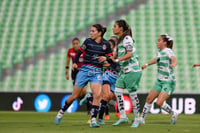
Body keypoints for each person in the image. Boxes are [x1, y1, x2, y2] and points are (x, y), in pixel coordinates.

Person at [55, 24, 112, 128]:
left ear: (99, 33)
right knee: (74, 96)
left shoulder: (106, 44)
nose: (91, 33)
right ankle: (61, 112)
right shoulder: (87, 41)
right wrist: (75, 63)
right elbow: (79, 53)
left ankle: (93, 120)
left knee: (97, 95)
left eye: (93, 31)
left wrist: (106, 59)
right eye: (91, 31)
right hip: (84, 70)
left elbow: (111, 58)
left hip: (97, 71)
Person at [98, 19, 142, 128]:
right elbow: (113, 56)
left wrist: (116, 60)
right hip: (123, 71)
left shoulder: (127, 39)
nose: (113, 28)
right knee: (118, 92)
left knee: (132, 94)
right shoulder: (119, 41)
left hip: (132, 70)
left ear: (120, 29)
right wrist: (106, 59)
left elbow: (129, 54)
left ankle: (137, 119)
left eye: (115, 26)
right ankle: (123, 117)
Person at [140, 34, 178, 125]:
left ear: (164, 43)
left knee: (159, 102)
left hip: (168, 81)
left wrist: (174, 64)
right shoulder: (159, 52)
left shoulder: (168, 51)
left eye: (159, 40)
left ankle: (174, 113)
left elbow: (173, 58)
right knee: (149, 99)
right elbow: (156, 59)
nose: (157, 42)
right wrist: (146, 64)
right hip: (159, 81)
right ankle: (142, 119)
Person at [97, 37, 120, 125]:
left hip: (117, 79)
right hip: (108, 75)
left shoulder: (120, 53)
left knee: (111, 97)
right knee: (105, 96)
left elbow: (111, 61)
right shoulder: (107, 53)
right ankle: (100, 118)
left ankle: (120, 114)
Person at [65, 38, 88, 107]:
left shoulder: (83, 51)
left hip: (82, 72)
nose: (75, 45)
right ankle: (87, 102)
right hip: (74, 72)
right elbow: (67, 62)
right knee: (78, 93)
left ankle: (89, 106)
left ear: (79, 44)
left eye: (77, 44)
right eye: (74, 44)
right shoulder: (70, 51)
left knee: (84, 90)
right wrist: (66, 73)